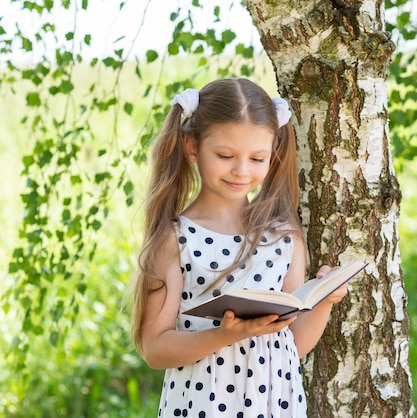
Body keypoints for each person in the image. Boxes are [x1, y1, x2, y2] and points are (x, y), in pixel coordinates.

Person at [130, 78, 349, 417]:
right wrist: (225, 335)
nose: (241, 171)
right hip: (205, 405)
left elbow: (294, 344)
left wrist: (324, 301)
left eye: (257, 158)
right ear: (192, 147)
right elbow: (155, 348)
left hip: (274, 405)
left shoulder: (283, 235)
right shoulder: (176, 238)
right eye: (225, 155)